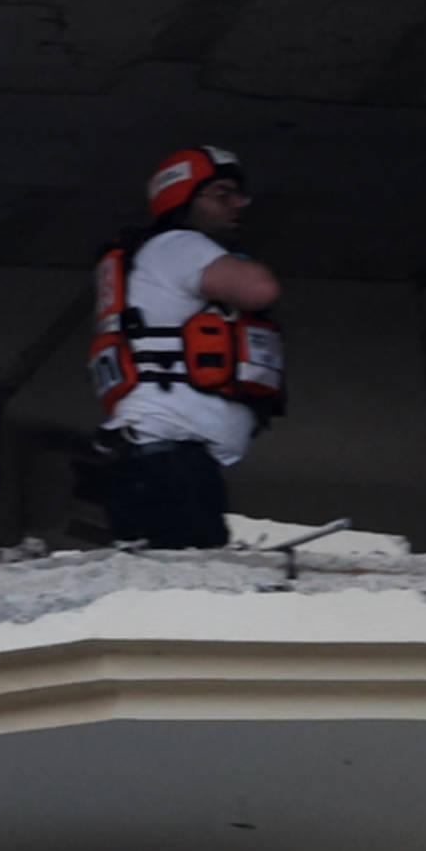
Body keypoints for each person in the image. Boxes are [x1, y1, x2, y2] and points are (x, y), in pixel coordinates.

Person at [80, 145, 285, 551]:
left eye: (240, 194)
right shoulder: (179, 245)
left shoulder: (157, 254)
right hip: (167, 463)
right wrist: (241, 261)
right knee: (195, 592)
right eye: (222, 194)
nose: (239, 204)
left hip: (155, 459)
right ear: (183, 201)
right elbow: (259, 289)